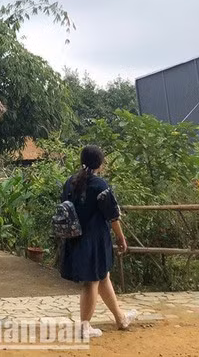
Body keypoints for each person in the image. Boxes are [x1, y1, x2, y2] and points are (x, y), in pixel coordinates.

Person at [60, 145, 137, 338]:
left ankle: (120, 319)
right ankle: (85, 327)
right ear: (100, 164)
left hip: (75, 239)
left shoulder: (70, 183)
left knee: (103, 277)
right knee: (92, 281)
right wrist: (121, 237)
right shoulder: (100, 185)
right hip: (94, 240)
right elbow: (112, 216)